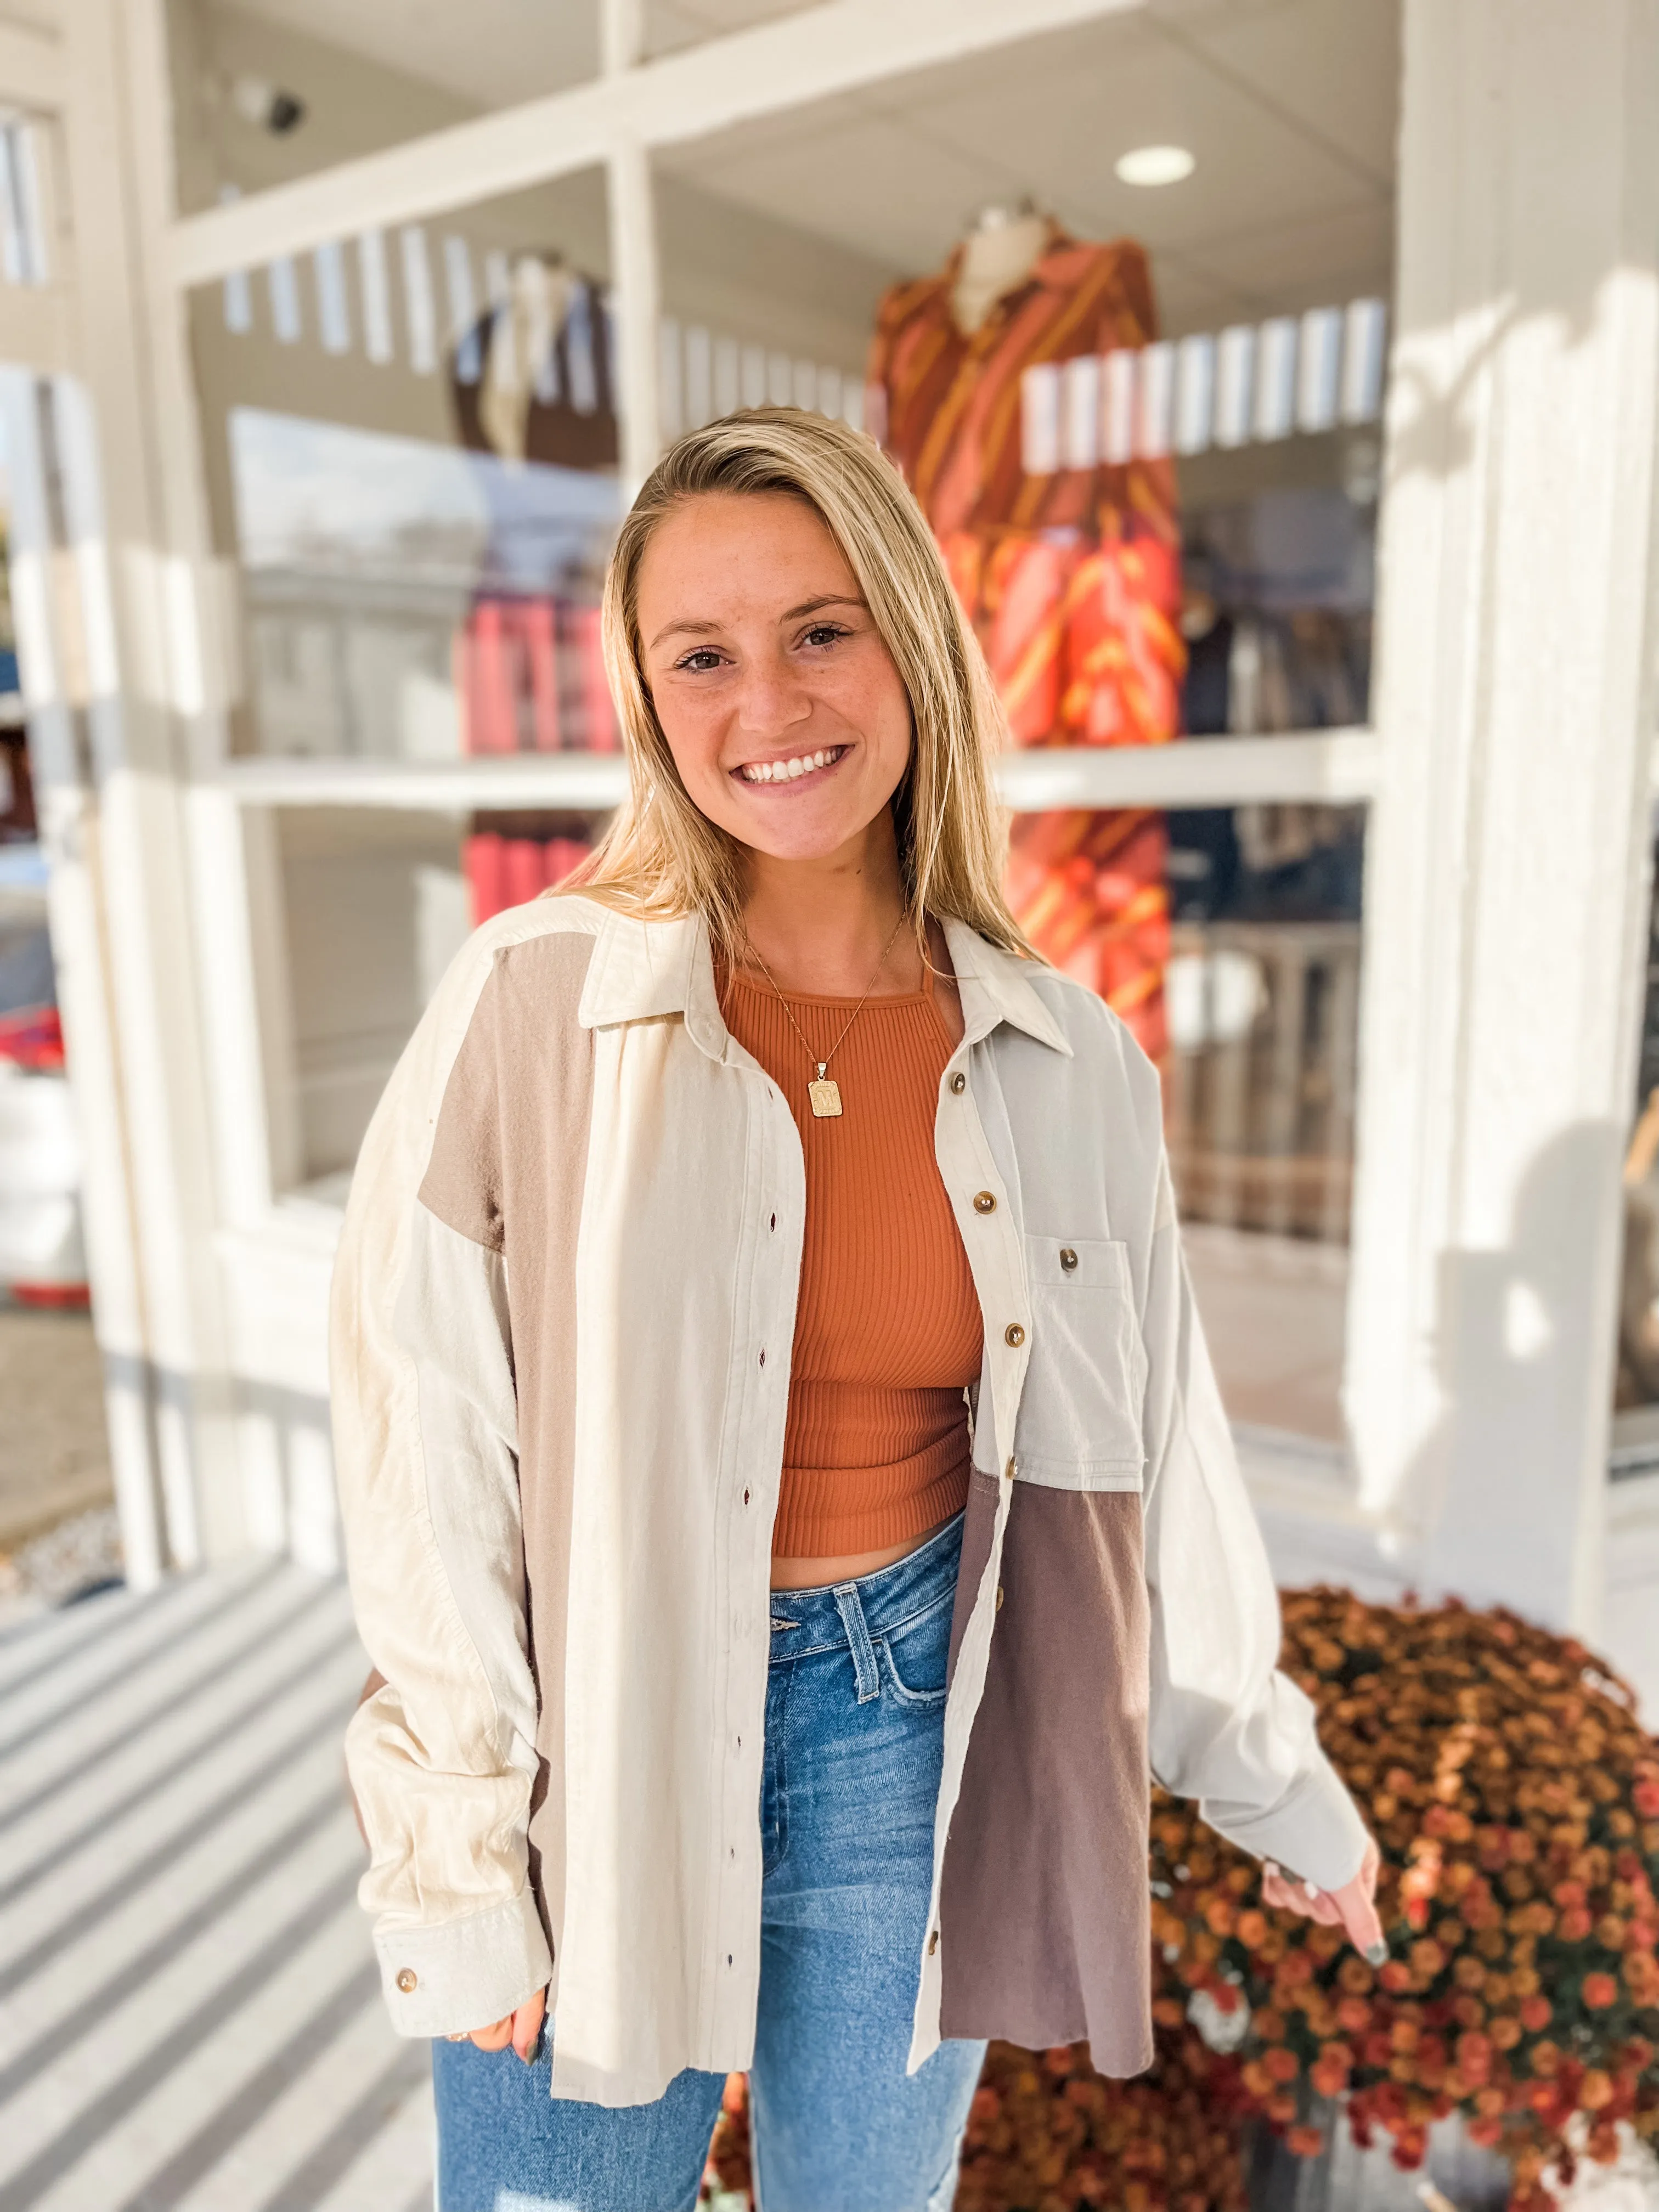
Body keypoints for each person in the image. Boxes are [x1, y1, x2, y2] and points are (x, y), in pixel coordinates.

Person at [330, 406, 1384, 2212]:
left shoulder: (1069, 1060)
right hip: (604, 1713)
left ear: (909, 639)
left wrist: (1278, 1783)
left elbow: (1153, 1466)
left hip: (912, 1721)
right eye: (703, 655)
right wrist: (454, 1856)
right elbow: (425, 1450)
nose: (772, 703)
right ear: (647, 697)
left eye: (823, 629)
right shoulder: (533, 1004)